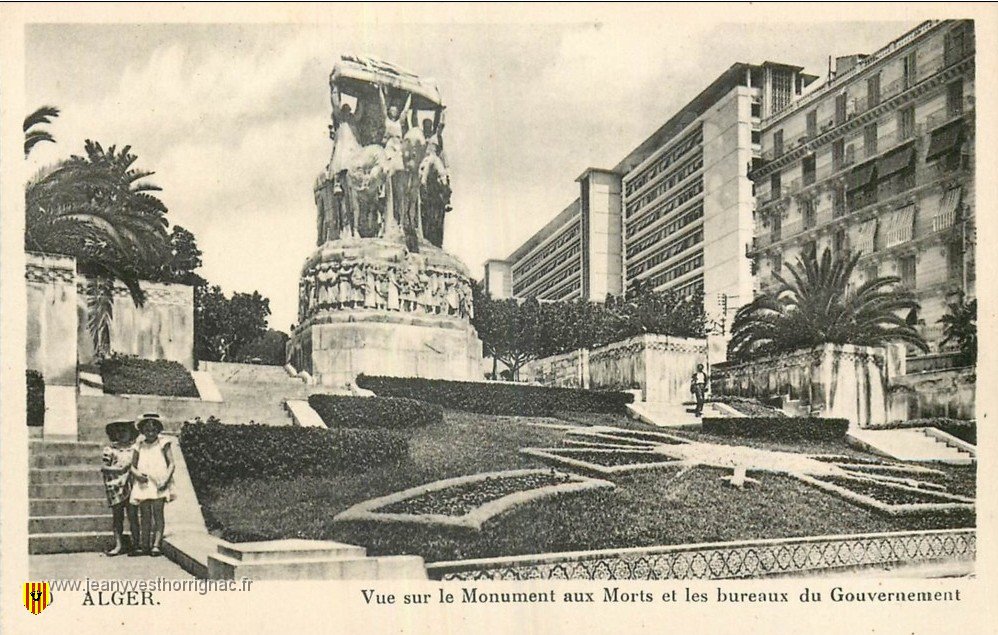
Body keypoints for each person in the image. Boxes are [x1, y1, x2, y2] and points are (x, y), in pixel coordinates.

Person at [129, 414, 175, 557]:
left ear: (158, 430)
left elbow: (171, 464)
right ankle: (145, 545)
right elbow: (132, 465)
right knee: (145, 515)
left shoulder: (163, 443)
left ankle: (156, 544)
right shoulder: (138, 445)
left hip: (159, 481)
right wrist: (137, 475)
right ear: (142, 430)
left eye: (153, 430)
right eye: (147, 430)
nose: (150, 433)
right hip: (144, 482)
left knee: (158, 513)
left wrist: (166, 480)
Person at [100, 420, 139, 557]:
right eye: (118, 431)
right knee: (117, 517)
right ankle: (118, 544)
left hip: (131, 484)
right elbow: (104, 467)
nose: (121, 434)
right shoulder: (110, 450)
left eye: (124, 431)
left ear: (131, 433)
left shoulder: (134, 449)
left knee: (133, 516)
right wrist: (118, 469)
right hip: (115, 486)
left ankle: (136, 544)